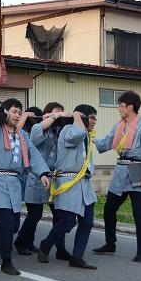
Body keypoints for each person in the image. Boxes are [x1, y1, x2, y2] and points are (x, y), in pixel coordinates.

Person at [0, 99, 49, 276]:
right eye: (14, 111)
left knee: (13, 226)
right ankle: (6, 261)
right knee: (7, 224)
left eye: (19, 113)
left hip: (14, 182)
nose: (17, 115)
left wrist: (43, 173)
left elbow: (33, 155)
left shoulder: (22, 135)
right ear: (5, 112)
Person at [93, 91, 141, 263]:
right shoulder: (120, 125)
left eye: (121, 105)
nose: (119, 108)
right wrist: (90, 135)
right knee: (109, 209)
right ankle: (110, 243)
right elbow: (106, 143)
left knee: (139, 213)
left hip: (139, 169)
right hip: (121, 170)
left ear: (130, 107)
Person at [38, 104, 98, 270]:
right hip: (69, 183)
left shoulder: (87, 135)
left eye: (95, 118)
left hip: (84, 184)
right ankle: (46, 244)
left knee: (87, 222)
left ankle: (77, 257)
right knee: (67, 222)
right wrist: (76, 115)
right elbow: (76, 135)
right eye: (91, 117)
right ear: (82, 117)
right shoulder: (68, 130)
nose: (94, 121)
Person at [15, 102, 71, 259]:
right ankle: (21, 241)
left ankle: (60, 248)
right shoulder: (38, 128)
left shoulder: (61, 131)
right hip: (37, 175)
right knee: (35, 214)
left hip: (55, 177)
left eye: (61, 112)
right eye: (55, 112)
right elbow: (36, 133)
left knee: (58, 215)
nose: (58, 115)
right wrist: (52, 117)